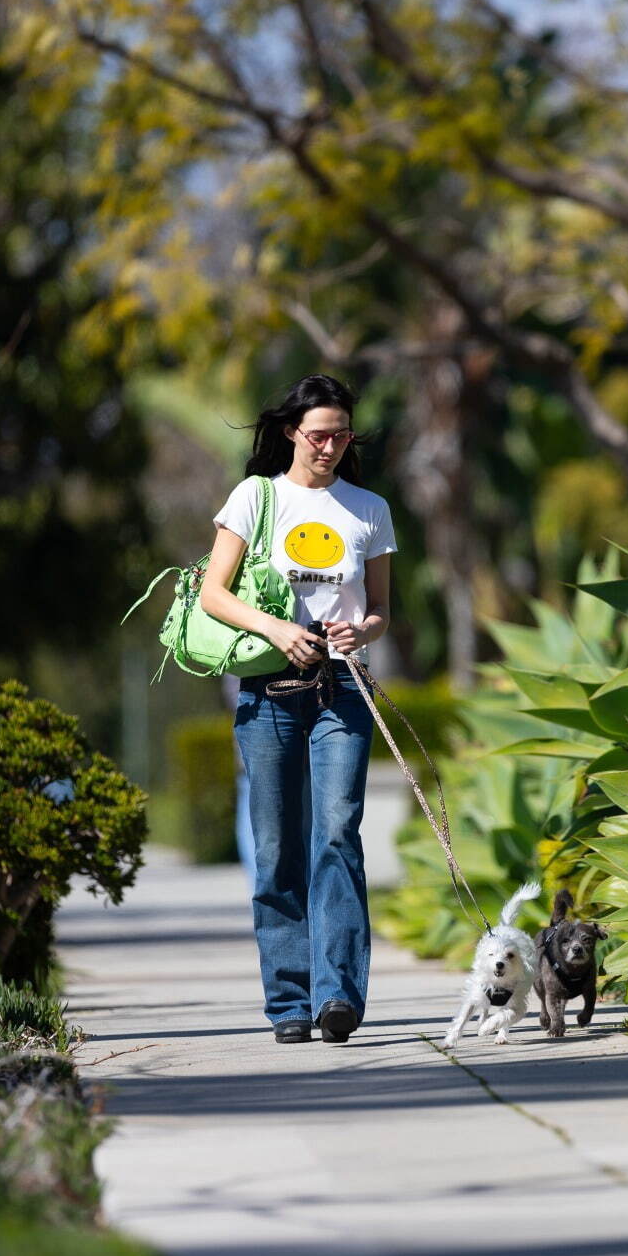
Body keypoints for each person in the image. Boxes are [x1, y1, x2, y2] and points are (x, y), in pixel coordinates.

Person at [200, 374, 396, 1045]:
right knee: (278, 847)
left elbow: (380, 611)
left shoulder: (368, 508)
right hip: (269, 694)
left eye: (341, 434)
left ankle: (337, 994)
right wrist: (278, 630)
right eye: (318, 433)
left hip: (342, 689)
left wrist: (360, 631)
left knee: (338, 833)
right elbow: (212, 594)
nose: (330, 445)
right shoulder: (256, 498)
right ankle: (288, 999)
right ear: (290, 431)